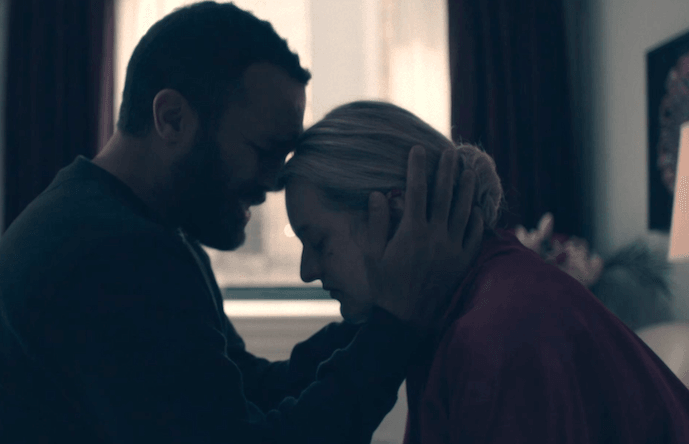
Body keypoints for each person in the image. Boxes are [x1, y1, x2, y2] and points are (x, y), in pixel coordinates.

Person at [0, 3, 484, 443]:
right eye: (264, 151)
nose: (274, 182)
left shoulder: (143, 231)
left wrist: (385, 305)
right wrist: (396, 326)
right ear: (172, 119)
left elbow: (250, 391)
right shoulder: (106, 254)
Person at [278, 99, 689, 443]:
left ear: (397, 212)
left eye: (319, 242)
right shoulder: (456, 307)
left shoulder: (499, 330)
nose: (306, 271)